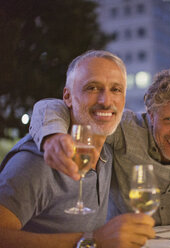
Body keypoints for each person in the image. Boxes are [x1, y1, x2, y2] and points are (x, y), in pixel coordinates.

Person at [28, 66, 170, 225]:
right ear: (152, 114)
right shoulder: (124, 128)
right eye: (168, 120)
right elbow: (51, 106)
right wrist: (53, 136)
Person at [0, 50, 155, 248]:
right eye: (92, 88)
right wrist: (91, 242)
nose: (105, 101)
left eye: (115, 90)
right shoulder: (37, 161)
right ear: (68, 97)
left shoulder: (106, 152)